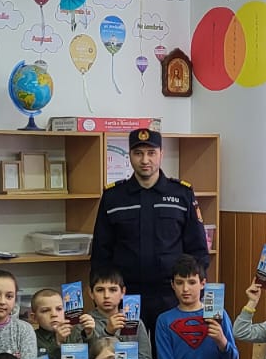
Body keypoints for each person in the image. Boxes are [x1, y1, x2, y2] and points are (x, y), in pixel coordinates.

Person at [89, 129, 212, 334]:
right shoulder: (113, 197)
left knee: (168, 349)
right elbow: (101, 253)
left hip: (171, 295)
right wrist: (104, 296)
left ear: (161, 154)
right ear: (130, 155)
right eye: (138, 153)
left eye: (151, 153)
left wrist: (192, 291)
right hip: (126, 296)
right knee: (128, 349)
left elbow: (198, 251)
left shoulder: (181, 194)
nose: (145, 160)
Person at [87, 268, 154, 359]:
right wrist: (108, 333)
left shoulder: (135, 322)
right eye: (100, 290)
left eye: (113, 290)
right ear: (91, 293)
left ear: (123, 292)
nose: (106, 296)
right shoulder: (85, 324)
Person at [31, 288, 96, 359]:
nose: (54, 314)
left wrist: (89, 334)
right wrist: (58, 344)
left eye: (59, 309)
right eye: (45, 310)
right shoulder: (31, 339)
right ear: (34, 318)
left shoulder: (75, 333)